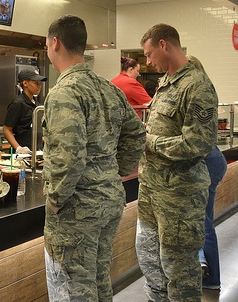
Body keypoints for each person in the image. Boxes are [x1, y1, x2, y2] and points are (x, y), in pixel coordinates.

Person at [42, 15, 146, 301]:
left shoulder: (64, 92)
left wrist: (54, 200)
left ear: (55, 43)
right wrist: (115, 172)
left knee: (74, 291)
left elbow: (69, 157)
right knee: (99, 284)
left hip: (77, 210)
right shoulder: (108, 88)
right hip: (109, 201)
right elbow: (137, 134)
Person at [135, 25, 217, 302]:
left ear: (163, 45)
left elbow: (199, 143)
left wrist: (151, 143)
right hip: (151, 194)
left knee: (179, 273)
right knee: (150, 264)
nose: (148, 62)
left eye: (149, 55)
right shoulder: (166, 82)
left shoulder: (196, 85)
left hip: (179, 198)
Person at [186, 55, 228, 291]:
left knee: (204, 222)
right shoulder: (205, 88)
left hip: (207, 162)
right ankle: (203, 265)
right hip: (213, 159)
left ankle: (211, 278)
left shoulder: (195, 91)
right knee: (203, 220)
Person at [3, 66, 46, 155]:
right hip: (22, 154)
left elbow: (35, 129)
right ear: (25, 83)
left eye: (39, 83)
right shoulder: (18, 104)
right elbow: (7, 129)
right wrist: (19, 148)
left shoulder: (36, 104)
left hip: (37, 152)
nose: (39, 86)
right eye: (36, 83)